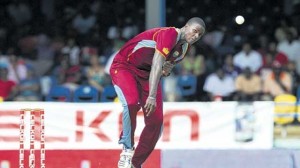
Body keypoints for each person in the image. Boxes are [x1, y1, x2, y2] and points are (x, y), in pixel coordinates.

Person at [109, 17, 205, 168]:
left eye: (200, 35)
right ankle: (127, 149)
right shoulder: (169, 34)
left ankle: (135, 164)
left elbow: (164, 68)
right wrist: (152, 96)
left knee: (156, 121)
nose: (196, 36)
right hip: (125, 66)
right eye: (195, 31)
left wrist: (167, 69)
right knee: (131, 102)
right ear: (186, 26)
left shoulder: (183, 49)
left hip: (146, 74)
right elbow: (156, 64)